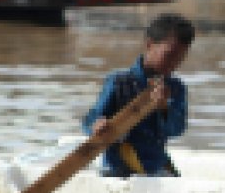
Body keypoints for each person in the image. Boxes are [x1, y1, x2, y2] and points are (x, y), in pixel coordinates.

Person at [82, 13, 195, 177]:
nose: (174, 63)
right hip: (118, 168)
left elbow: (176, 130)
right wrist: (97, 125)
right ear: (149, 45)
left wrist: (164, 108)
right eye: (169, 55)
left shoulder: (176, 88)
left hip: (155, 166)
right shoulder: (119, 82)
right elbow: (90, 120)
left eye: (180, 58)